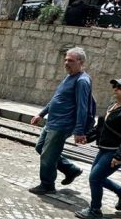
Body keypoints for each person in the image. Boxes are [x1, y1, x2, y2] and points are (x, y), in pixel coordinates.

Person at [75, 77, 121, 219]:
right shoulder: (114, 105)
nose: (115, 89)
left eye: (120, 87)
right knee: (97, 177)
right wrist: (88, 137)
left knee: (95, 178)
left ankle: (95, 210)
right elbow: (102, 127)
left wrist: (119, 156)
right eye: (115, 86)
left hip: (116, 151)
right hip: (105, 149)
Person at [29, 47, 93, 195]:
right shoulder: (69, 76)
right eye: (65, 59)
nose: (66, 63)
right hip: (52, 122)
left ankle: (47, 185)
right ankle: (70, 169)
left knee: (47, 155)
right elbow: (57, 99)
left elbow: (82, 108)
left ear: (80, 62)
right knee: (40, 148)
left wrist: (79, 130)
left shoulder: (82, 81)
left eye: (70, 60)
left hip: (62, 125)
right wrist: (41, 114)